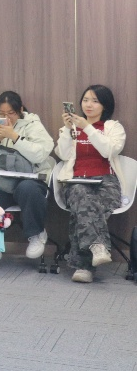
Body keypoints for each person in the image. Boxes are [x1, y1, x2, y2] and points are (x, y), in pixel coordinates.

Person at [56, 85, 126, 283]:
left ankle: (84, 267)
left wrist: (87, 127)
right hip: (75, 181)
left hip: (106, 182)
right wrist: (67, 130)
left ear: (105, 106)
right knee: (81, 194)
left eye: (95, 101)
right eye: (86, 100)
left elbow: (108, 151)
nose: (89, 105)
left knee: (83, 210)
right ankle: (97, 247)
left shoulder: (113, 128)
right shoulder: (71, 129)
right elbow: (63, 154)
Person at [0, 91, 54, 270]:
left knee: (28, 189)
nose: (6, 118)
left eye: (11, 113)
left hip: (30, 178)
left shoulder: (32, 124)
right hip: (2, 181)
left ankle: (36, 233)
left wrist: (14, 137)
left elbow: (40, 154)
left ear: (20, 110)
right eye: (1, 114)